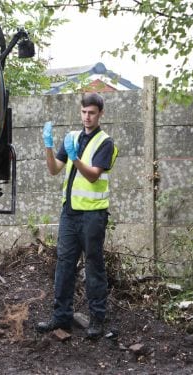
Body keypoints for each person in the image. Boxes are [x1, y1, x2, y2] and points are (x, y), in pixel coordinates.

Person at [36, 93, 118, 339]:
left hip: (93, 215)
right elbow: (53, 170)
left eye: (92, 112)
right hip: (70, 213)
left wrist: (75, 158)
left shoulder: (106, 142)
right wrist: (49, 146)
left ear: (100, 114)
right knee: (64, 265)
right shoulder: (71, 137)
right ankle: (61, 317)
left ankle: (96, 320)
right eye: (84, 112)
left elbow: (93, 175)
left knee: (94, 266)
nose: (87, 117)